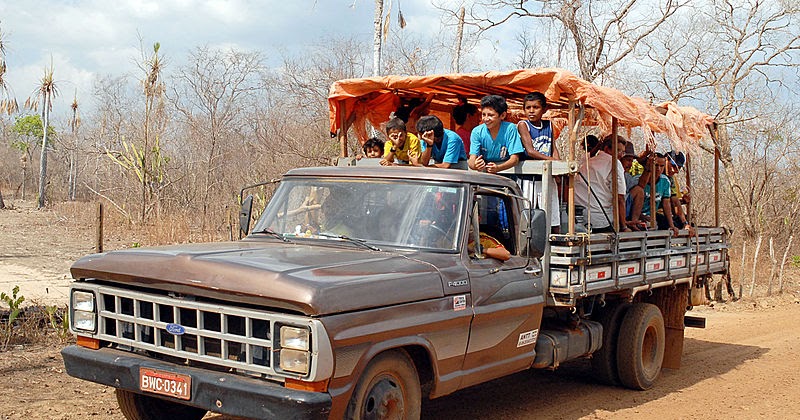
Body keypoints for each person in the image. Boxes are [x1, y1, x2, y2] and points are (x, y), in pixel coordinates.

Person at [515, 91, 561, 231]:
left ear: (544, 109)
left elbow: (553, 148)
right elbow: (530, 151)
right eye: (528, 108)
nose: (531, 111)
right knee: (527, 215)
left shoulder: (549, 126)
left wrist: (558, 167)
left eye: (535, 107)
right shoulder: (523, 125)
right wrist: (553, 160)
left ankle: (552, 246)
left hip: (546, 177)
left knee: (552, 216)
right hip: (528, 178)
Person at [575, 136, 631, 233]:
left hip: (576, 217)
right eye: (618, 151)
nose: (621, 155)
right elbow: (620, 198)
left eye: (622, 152)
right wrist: (624, 226)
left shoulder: (586, 161)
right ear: (606, 148)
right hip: (600, 220)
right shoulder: (614, 163)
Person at [468, 95, 524, 174]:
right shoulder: (477, 131)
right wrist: (475, 165)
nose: (486, 119)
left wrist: (498, 168)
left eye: (491, 115)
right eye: (483, 115)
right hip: (485, 176)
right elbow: (471, 160)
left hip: (508, 176)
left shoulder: (510, 128)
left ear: (502, 115)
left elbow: (515, 159)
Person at [628, 153, 681, 236]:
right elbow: (628, 204)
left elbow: (666, 204)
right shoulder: (637, 180)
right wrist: (641, 216)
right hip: (635, 219)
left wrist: (672, 225)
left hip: (652, 219)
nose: (658, 169)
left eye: (661, 166)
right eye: (656, 165)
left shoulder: (665, 181)